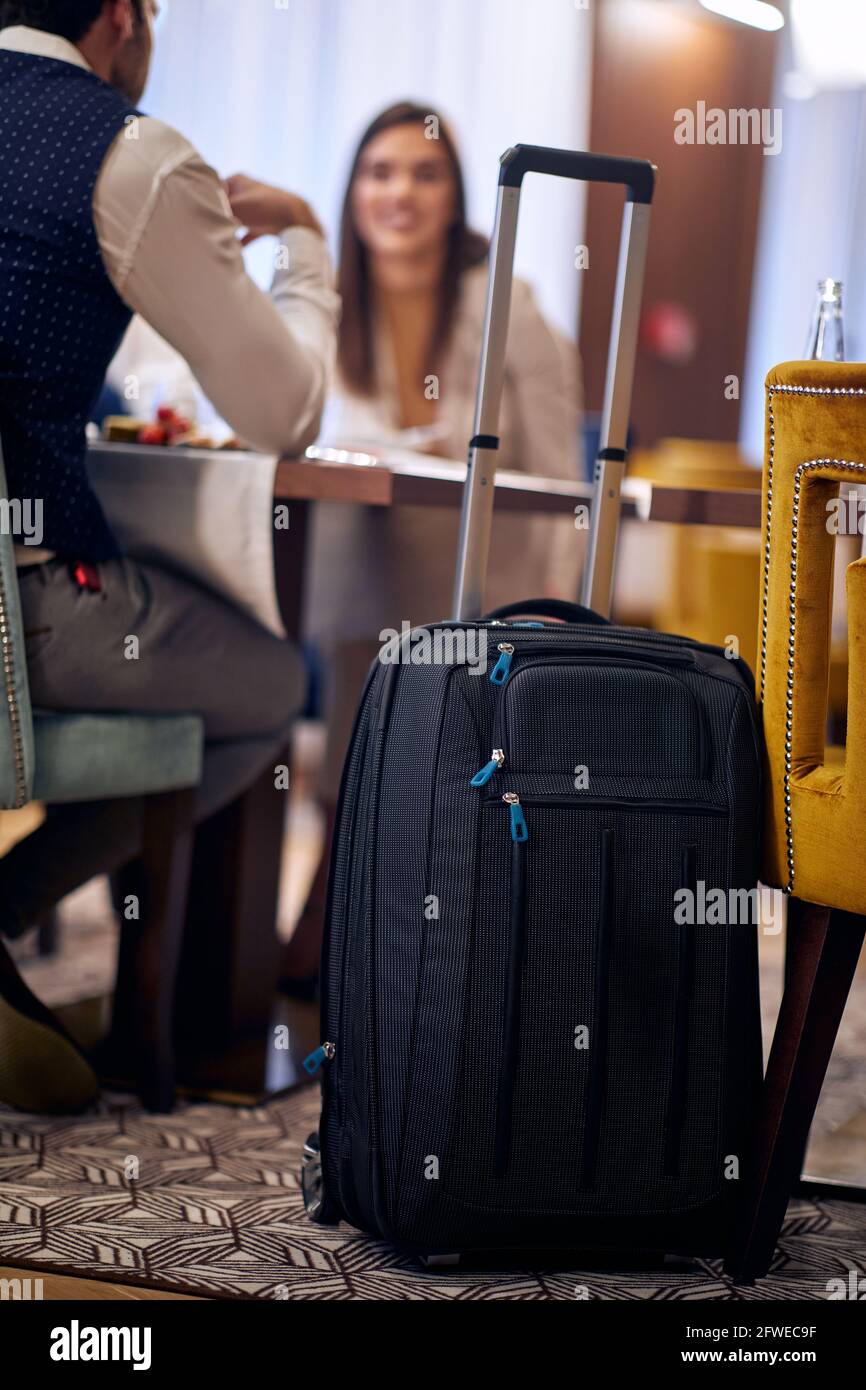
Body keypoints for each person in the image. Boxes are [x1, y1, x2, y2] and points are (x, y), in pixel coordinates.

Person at [0, 0, 339, 1110]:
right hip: (34, 602)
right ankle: (12, 917)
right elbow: (280, 413)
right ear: (121, 16)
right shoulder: (127, 152)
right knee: (273, 685)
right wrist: (305, 249)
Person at [271, 101, 583, 991]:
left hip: (486, 578)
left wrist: (557, 622)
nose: (399, 192)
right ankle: (339, 902)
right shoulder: (326, 302)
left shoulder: (506, 303)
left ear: (457, 197)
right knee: (350, 649)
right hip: (360, 576)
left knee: (411, 724)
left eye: (424, 172)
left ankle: (355, 912)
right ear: (352, 192)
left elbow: (564, 481)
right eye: (379, 172)